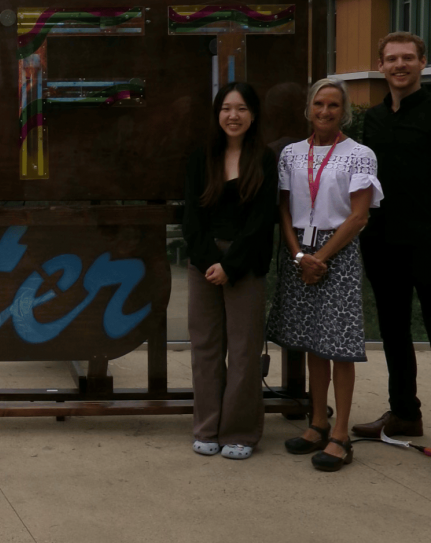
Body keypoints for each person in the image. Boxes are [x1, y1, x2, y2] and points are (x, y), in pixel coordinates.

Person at [267, 79, 381, 472]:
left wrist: (320, 258)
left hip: (339, 253)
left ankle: (342, 435)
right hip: (299, 250)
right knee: (314, 343)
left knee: (338, 346)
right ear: (308, 109)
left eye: (334, 105)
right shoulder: (291, 155)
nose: (326, 111)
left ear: (343, 110)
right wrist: (300, 256)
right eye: (319, 104)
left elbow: (359, 215)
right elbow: (282, 208)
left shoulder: (359, 155)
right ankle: (318, 421)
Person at [183, 83, 277, 460]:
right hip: (203, 264)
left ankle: (239, 432)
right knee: (205, 347)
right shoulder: (200, 157)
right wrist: (210, 263)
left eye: (241, 109)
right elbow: (192, 218)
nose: (233, 116)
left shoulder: (265, 159)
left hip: (245, 264)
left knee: (243, 349)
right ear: (217, 114)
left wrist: (230, 265)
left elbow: (261, 220)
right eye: (226, 108)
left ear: (252, 115)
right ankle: (207, 427)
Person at [353, 32, 431, 440]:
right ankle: (404, 414)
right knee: (395, 334)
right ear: (380, 66)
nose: (399, 65)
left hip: (429, 242)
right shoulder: (374, 118)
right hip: (384, 244)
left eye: (407, 58)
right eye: (391, 59)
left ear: (422, 62)